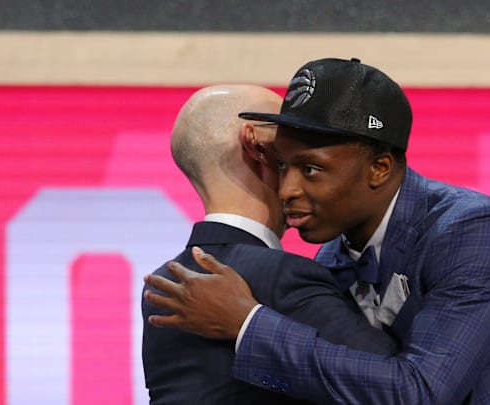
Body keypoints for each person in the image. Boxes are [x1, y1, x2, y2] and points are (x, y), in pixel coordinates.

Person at [145, 59, 490, 404]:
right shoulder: (333, 256)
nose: (287, 190)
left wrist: (248, 324)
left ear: (379, 168)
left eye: (311, 169)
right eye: (283, 166)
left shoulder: (473, 230)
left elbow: (420, 393)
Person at [141, 84, 398, 404]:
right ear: (257, 145)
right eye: (289, 135)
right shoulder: (283, 276)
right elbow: (398, 387)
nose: (303, 146)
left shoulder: (164, 282)